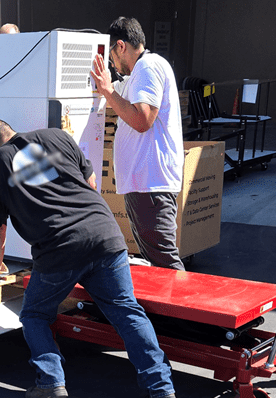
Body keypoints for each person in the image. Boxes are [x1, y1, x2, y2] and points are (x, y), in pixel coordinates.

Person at [0, 119, 177, 398]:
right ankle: (162, 388)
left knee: (35, 315)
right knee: (126, 312)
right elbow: (89, 184)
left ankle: (50, 381)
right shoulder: (58, 137)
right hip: (105, 235)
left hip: (59, 249)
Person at [90, 17, 185, 271]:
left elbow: (142, 119)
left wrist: (108, 92)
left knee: (165, 263)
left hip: (150, 184)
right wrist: (108, 90)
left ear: (121, 46)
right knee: (157, 260)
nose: (111, 63)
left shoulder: (148, 66)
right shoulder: (138, 74)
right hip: (144, 184)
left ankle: (182, 309)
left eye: (110, 55)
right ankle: (167, 310)